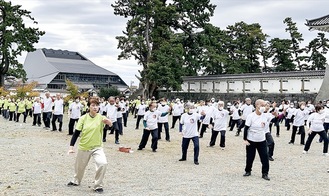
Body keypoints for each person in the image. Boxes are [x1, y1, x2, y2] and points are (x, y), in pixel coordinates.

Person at [67, 97, 112, 193]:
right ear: (89, 107)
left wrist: (109, 123)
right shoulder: (83, 118)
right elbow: (76, 133)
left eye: (97, 105)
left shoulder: (101, 117)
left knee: (103, 163)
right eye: (93, 105)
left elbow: (109, 124)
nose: (95, 107)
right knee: (80, 167)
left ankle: (98, 185)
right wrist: (71, 147)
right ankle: (76, 180)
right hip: (84, 147)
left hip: (97, 147)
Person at [243, 99, 270, 181]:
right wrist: (245, 139)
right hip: (251, 139)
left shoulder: (265, 116)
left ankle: (265, 173)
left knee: (264, 157)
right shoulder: (251, 116)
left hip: (261, 139)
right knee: (250, 156)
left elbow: (275, 118)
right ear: (257, 105)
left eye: (264, 106)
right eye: (262, 105)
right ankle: (248, 170)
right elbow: (246, 128)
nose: (263, 107)